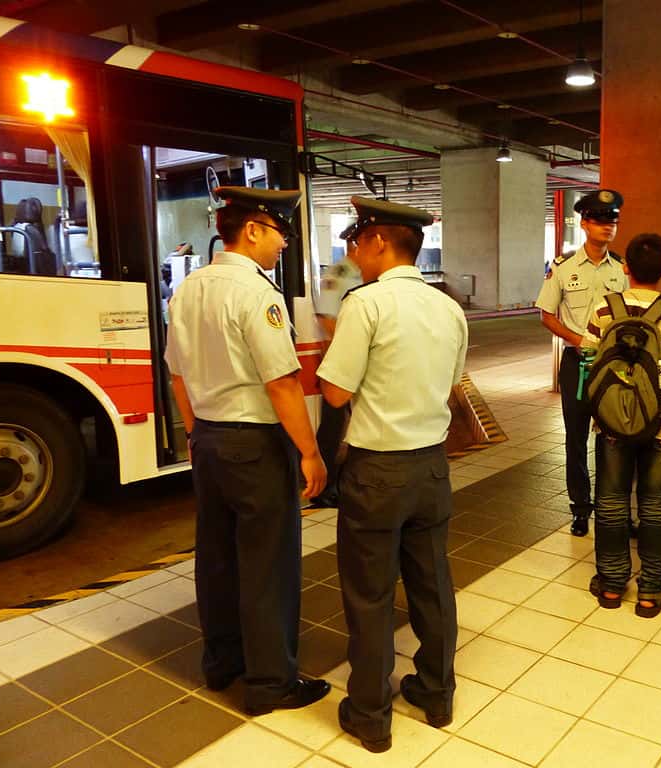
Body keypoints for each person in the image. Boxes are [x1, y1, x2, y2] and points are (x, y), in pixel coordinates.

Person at [164, 186, 329, 716]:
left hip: (209, 440)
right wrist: (310, 452)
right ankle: (271, 683)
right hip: (254, 445)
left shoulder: (188, 288)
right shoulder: (258, 294)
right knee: (268, 565)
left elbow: (177, 373)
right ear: (254, 229)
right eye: (280, 232)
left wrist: (194, 433)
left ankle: (221, 664)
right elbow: (281, 382)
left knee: (216, 558)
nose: (284, 244)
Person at [318, 195, 468, 753]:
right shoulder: (448, 307)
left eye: (356, 242)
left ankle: (371, 715)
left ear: (380, 241)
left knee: (370, 595)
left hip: (376, 472)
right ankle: (436, 692)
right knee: (433, 584)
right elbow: (453, 381)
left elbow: (335, 391)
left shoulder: (366, 304)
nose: (353, 253)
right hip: (431, 468)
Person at [582, 233, 661, 618]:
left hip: (612, 424)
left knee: (612, 503)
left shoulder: (605, 308)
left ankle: (612, 585)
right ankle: (651, 590)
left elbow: (589, 357)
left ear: (626, 268)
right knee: (654, 507)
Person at [536, 189, 627, 537]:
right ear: (585, 223)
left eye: (613, 221)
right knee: (575, 441)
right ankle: (580, 508)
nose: (609, 227)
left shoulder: (621, 268)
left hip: (612, 366)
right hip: (577, 364)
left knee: (614, 438)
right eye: (602, 221)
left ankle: (612, 506)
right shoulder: (563, 268)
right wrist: (578, 340)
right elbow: (546, 314)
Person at [311, 239, 362, 508]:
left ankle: (342, 482)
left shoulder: (363, 273)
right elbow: (326, 318)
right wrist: (347, 350)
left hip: (355, 358)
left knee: (353, 423)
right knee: (332, 427)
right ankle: (323, 487)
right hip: (338, 359)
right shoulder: (339, 273)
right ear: (355, 243)